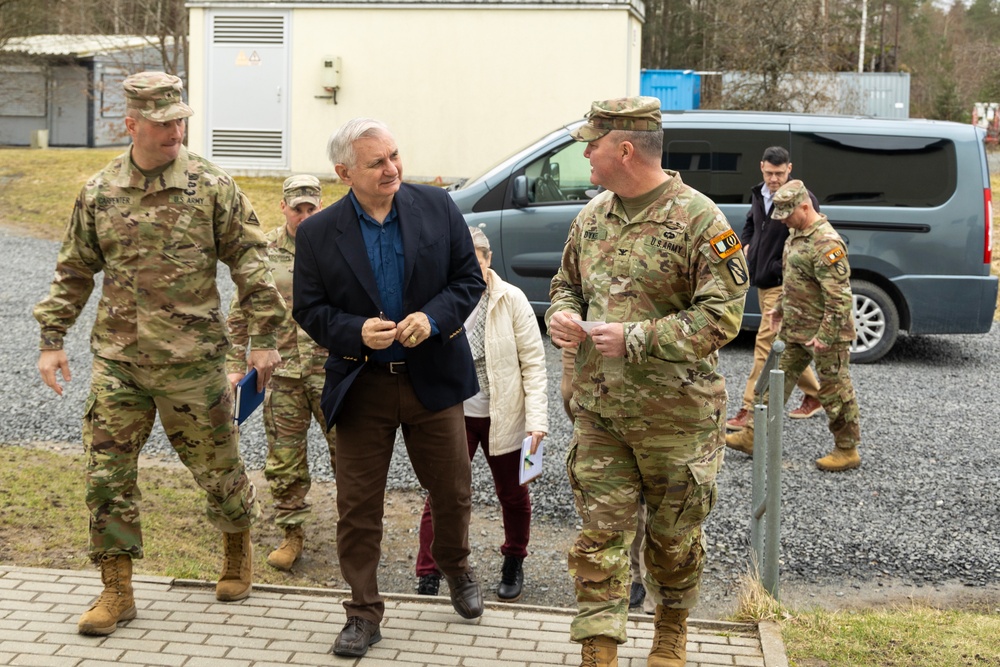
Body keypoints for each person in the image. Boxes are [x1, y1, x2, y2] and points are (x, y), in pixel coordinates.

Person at [32, 71, 285, 636]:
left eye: (180, 121)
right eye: (164, 122)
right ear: (131, 124)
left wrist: (264, 338)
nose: (176, 130)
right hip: (119, 361)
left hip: (193, 362)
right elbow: (74, 269)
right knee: (105, 476)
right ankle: (116, 589)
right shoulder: (99, 191)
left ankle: (236, 546)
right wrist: (53, 339)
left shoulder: (209, 185)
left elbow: (251, 260)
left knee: (218, 471)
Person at [547, 97, 748, 667]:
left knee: (672, 538)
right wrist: (560, 317)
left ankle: (671, 630)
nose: (585, 151)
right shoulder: (591, 217)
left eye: (593, 143)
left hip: (676, 421)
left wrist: (636, 338)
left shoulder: (704, 220)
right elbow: (565, 284)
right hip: (601, 412)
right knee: (600, 534)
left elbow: (723, 317)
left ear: (624, 149)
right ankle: (599, 649)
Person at [292, 118, 487, 658]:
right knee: (358, 507)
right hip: (364, 386)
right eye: (377, 162)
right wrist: (354, 332)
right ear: (343, 172)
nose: (392, 168)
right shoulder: (316, 233)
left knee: (451, 491)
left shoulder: (437, 207)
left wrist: (435, 317)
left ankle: (457, 566)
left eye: (395, 156)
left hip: (433, 378)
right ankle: (362, 612)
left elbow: (468, 281)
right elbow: (307, 309)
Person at [415, 226, 548, 603]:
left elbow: (534, 364)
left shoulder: (512, 299)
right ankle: (429, 568)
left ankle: (513, 561)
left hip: (503, 412)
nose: (471, 266)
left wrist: (537, 422)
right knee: (443, 492)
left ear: (488, 260)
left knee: (513, 492)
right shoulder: (441, 298)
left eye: (478, 258)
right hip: (454, 412)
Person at [225, 174, 336, 572]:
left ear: (320, 207)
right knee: (285, 459)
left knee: (352, 455)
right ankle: (292, 533)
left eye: (312, 208)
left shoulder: (339, 243)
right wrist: (236, 364)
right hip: (282, 373)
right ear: (283, 206)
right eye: (297, 208)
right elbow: (242, 309)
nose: (304, 216)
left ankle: (357, 532)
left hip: (332, 371)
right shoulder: (264, 249)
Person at [725, 180, 862, 472]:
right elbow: (795, 282)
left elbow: (839, 299)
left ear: (805, 206)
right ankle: (753, 436)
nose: (784, 220)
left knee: (835, 391)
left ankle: (846, 449)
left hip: (827, 333)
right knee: (772, 381)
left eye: (788, 214)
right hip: (795, 328)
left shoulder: (826, 242)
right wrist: (779, 308)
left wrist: (826, 336)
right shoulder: (796, 235)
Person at [727, 146, 823, 431]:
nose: (774, 179)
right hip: (762, 280)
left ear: (789, 169)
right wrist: (747, 245)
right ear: (761, 168)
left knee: (765, 346)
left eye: (779, 173)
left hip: (784, 284)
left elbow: (809, 239)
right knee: (789, 343)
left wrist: (783, 269)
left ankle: (747, 409)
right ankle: (816, 395)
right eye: (769, 173)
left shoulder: (803, 200)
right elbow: (750, 224)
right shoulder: (759, 193)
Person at [561, 345, 651, 614]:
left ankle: (646, 581)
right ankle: (623, 582)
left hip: (648, 365)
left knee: (656, 497)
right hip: (590, 353)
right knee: (610, 504)